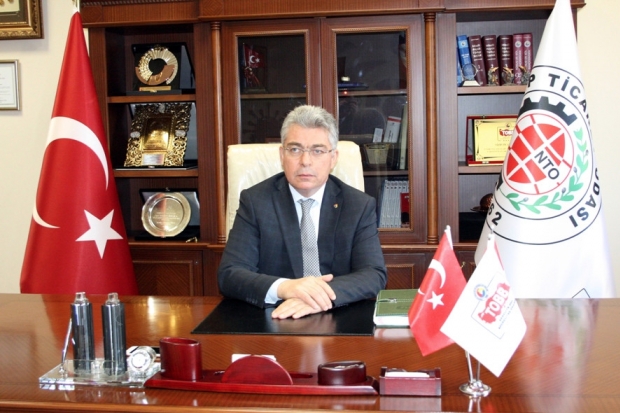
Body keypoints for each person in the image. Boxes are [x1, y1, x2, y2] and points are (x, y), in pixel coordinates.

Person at [218, 105, 387, 320]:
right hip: (275, 317)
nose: (305, 161)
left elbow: (373, 274)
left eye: (317, 151)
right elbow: (230, 274)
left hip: (337, 317)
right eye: (295, 150)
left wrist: (318, 297)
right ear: (282, 155)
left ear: (333, 158)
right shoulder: (255, 202)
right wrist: (285, 287)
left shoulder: (358, 206)